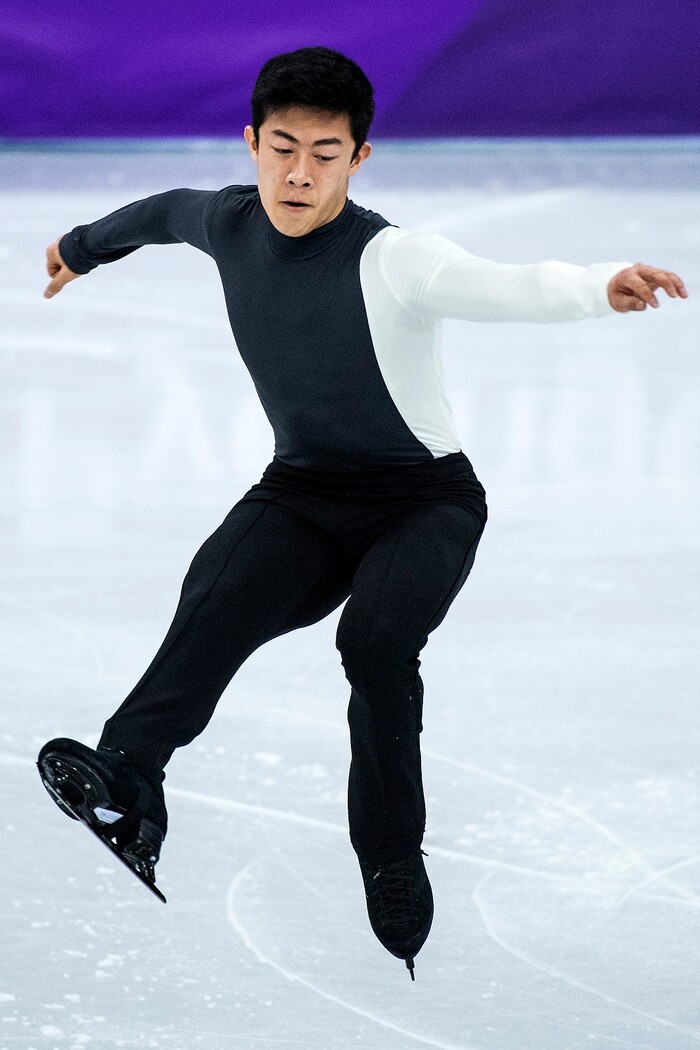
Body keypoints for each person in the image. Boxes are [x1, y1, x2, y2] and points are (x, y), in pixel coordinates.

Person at [36, 46, 688, 979]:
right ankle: (131, 778)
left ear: (360, 159)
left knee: (375, 644)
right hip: (302, 491)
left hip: (422, 503)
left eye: (327, 153)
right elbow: (154, 216)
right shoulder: (225, 220)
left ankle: (388, 854)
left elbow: (503, 285)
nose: (300, 173)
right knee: (215, 592)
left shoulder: (395, 258)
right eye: (284, 147)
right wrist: (80, 248)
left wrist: (599, 284)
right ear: (252, 142)